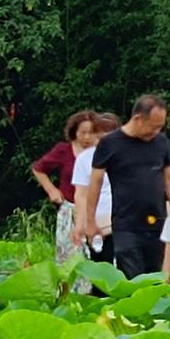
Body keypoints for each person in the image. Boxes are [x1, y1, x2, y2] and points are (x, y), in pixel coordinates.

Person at [75, 96, 170, 278]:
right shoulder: (110, 143)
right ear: (137, 118)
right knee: (132, 278)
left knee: (157, 278)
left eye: (160, 127)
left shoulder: (161, 142)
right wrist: (90, 221)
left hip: (158, 223)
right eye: (153, 126)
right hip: (126, 225)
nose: (156, 131)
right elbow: (95, 183)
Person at [31, 110, 98, 266]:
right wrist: (52, 190)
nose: (87, 137)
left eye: (91, 132)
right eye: (83, 132)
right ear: (75, 132)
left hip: (97, 211)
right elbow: (38, 168)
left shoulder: (103, 151)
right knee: (70, 259)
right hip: (70, 209)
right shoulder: (64, 150)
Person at [67, 113, 121, 266]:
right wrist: (80, 225)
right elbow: (81, 195)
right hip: (99, 223)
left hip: (124, 219)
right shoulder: (85, 159)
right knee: (101, 268)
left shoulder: (129, 155)